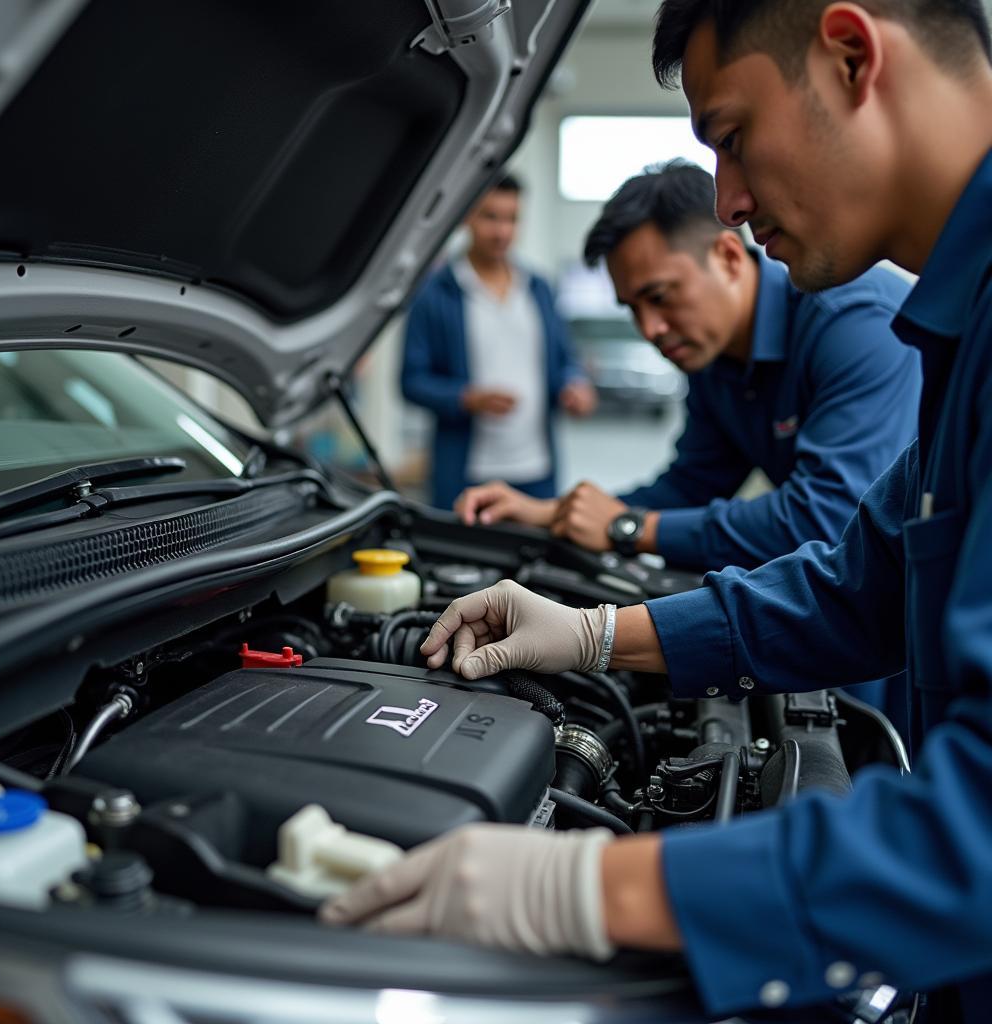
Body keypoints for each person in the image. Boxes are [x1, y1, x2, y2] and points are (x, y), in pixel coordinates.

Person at [322, 1, 992, 1021]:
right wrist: (596, 635)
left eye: (730, 136)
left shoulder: (895, 324)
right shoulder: (958, 332)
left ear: (852, 55)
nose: (726, 200)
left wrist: (589, 888)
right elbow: (855, 586)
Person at [457, 162, 920, 572]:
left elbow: (830, 516)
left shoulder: (855, 321)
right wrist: (555, 512)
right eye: (633, 309)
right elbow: (691, 487)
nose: (651, 328)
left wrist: (628, 527)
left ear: (728, 257)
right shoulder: (712, 355)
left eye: (659, 296)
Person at [400, 172, 596, 510]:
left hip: (537, 470)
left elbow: (566, 360)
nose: (502, 231)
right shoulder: (435, 294)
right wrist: (466, 398)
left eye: (512, 219)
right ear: (466, 216)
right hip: (465, 472)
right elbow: (410, 381)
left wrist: (575, 384)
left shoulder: (539, 288)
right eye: (491, 217)